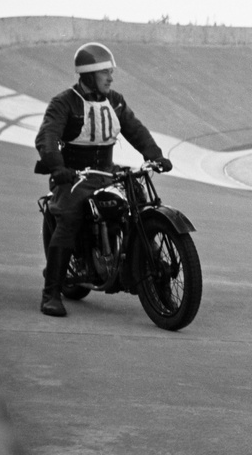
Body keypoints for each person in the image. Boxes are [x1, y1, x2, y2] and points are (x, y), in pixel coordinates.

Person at [34, 43, 172, 317]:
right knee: (71, 217)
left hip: (108, 171)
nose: (111, 77)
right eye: (104, 72)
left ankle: (153, 270)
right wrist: (57, 166)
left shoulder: (115, 101)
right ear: (87, 76)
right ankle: (51, 293)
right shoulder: (64, 102)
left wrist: (155, 155)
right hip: (74, 174)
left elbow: (135, 129)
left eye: (111, 72)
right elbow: (47, 137)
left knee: (140, 203)